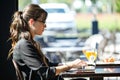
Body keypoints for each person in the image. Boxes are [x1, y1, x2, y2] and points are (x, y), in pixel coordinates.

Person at [8, 4, 87, 80]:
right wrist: (70, 65)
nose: (45, 26)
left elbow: (48, 65)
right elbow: (46, 73)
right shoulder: (24, 45)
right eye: (43, 21)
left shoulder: (28, 43)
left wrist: (71, 64)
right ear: (32, 22)